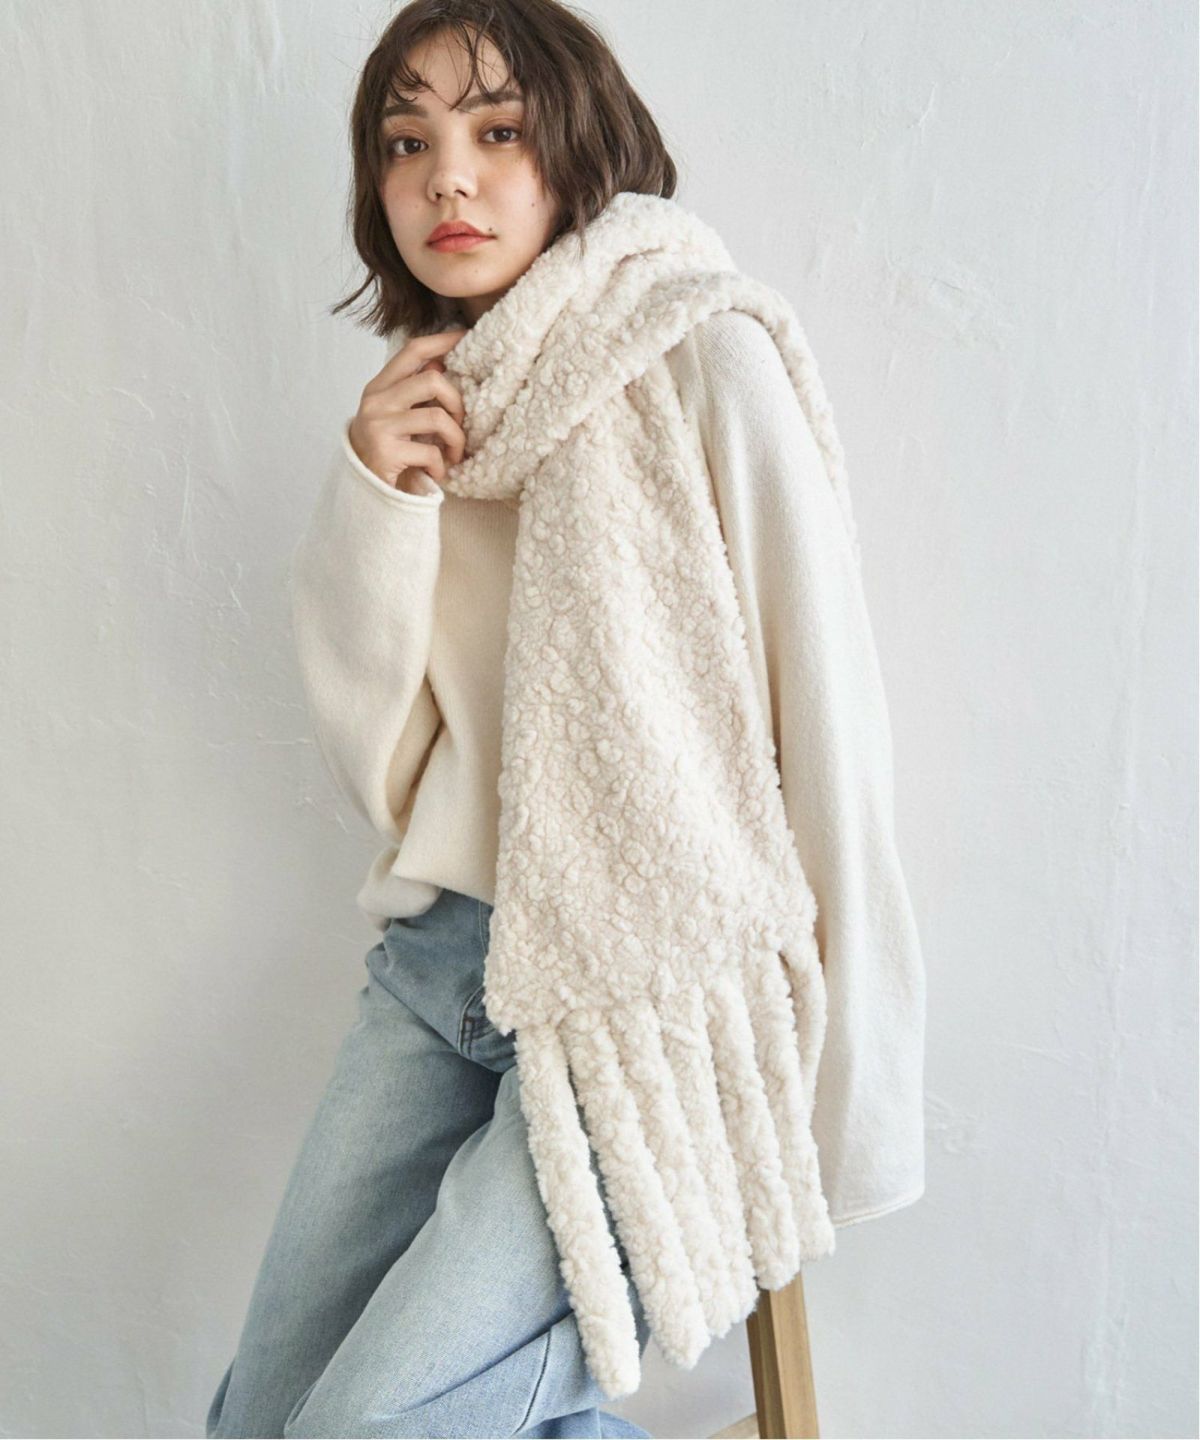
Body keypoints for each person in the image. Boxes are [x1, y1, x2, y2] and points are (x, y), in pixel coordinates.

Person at [206, 1, 926, 1436]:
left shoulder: (704, 354)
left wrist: (853, 1087)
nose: (447, 178)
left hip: (651, 1006)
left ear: (580, 143)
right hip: (441, 973)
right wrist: (377, 502)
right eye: (405, 143)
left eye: (498, 130)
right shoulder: (433, 417)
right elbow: (390, 777)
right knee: (257, 1422)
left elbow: (829, 719)